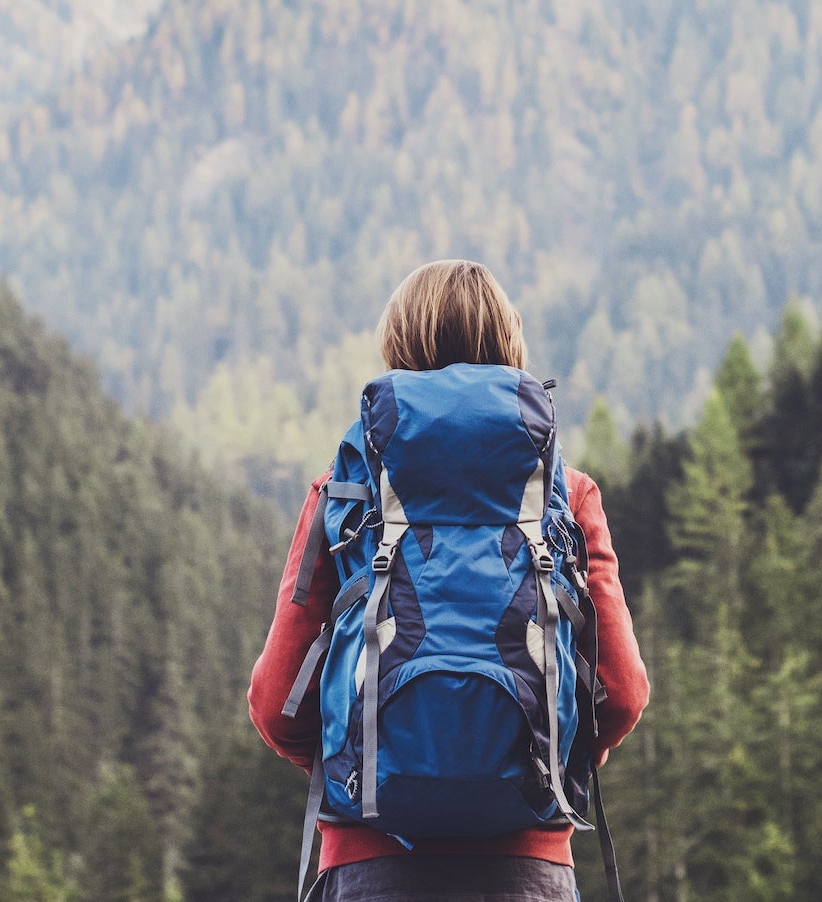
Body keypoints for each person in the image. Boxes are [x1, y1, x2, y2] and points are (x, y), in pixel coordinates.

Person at [249, 260, 650, 901]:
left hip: (368, 865)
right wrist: (539, 760)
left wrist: (368, 766)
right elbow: (622, 693)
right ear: (509, 347)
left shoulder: (343, 493)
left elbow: (275, 703)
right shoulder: (567, 496)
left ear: (397, 349)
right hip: (530, 870)